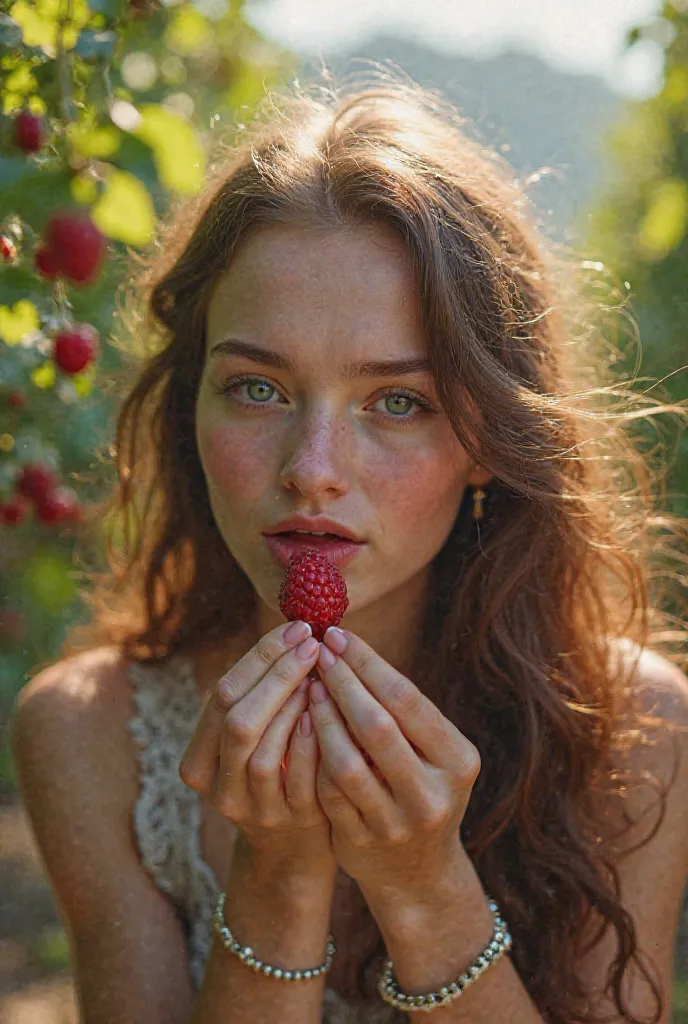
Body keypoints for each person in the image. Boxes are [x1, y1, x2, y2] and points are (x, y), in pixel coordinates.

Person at [10, 78, 688, 1024]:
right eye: (256, 388)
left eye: (398, 401)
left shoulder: (631, 730)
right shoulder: (89, 735)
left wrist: (424, 887)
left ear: (489, 440)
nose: (313, 471)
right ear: (188, 408)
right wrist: (279, 880)